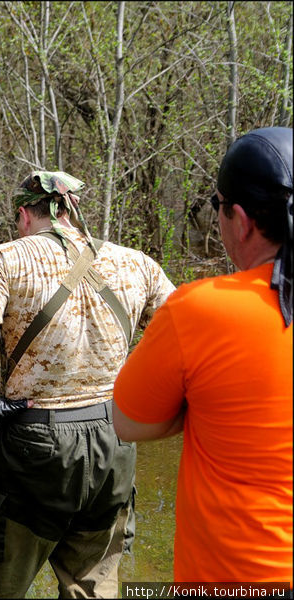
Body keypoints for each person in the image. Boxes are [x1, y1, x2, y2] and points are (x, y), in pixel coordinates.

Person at [0, 171, 176, 598]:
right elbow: (185, 330)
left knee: (1, 581)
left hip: (37, 441)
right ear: (73, 210)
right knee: (93, 583)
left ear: (24, 215)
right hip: (115, 435)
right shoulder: (135, 262)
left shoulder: (6, 259)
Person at [112, 127, 293, 586]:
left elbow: (127, 422)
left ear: (241, 219)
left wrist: (202, 407)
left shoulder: (200, 309)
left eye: (217, 207)